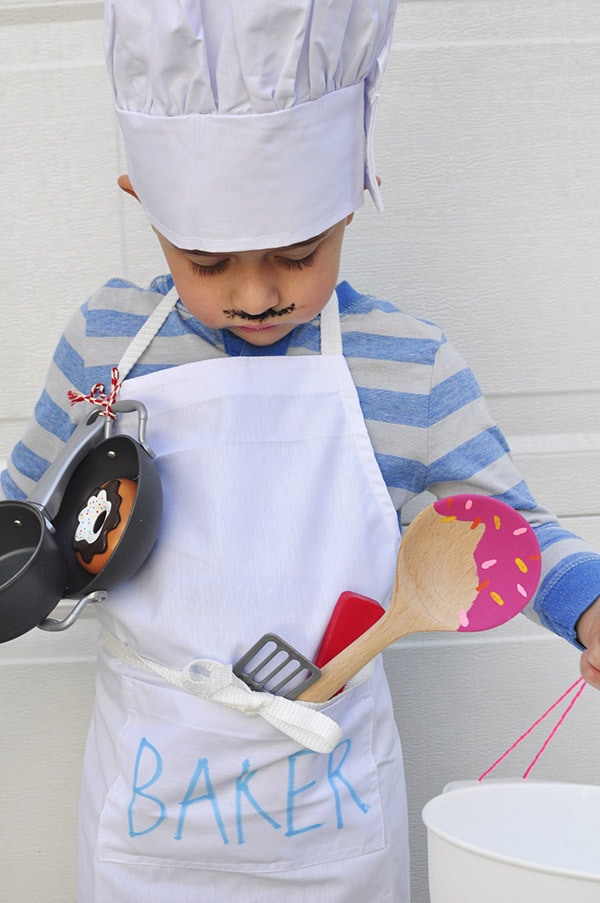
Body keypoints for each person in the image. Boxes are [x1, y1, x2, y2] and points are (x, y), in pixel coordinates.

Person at [2, 1, 600, 900]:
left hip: (330, 825)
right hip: (149, 808)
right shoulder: (106, 343)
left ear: (353, 195)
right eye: (206, 262)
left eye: (298, 253)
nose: (255, 294)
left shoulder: (407, 363)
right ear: (144, 201)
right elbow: (25, 508)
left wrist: (589, 606)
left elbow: (503, 533)